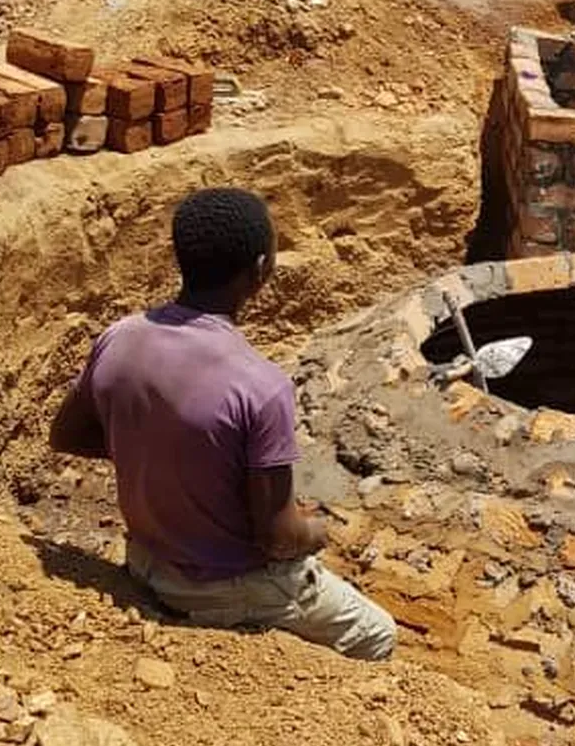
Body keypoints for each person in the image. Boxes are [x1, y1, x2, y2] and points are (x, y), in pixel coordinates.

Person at [49, 188, 396, 662]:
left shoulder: (119, 338)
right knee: (379, 635)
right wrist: (318, 531)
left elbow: (66, 435)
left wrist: (161, 455)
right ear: (259, 271)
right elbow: (278, 540)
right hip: (220, 588)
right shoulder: (261, 386)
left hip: (147, 560)